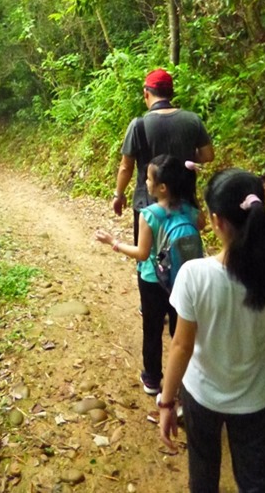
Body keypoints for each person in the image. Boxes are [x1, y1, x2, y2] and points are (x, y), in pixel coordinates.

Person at [157, 169, 265, 493]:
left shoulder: (194, 275)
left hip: (202, 395)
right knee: (256, 483)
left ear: (217, 221)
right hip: (257, 400)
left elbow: (181, 346)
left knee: (203, 477)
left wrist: (166, 403)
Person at [96, 155, 203, 395]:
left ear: (162, 187)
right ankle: (185, 381)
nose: (145, 181)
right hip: (184, 280)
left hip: (154, 281)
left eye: (149, 178)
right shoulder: (190, 210)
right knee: (181, 331)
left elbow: (142, 253)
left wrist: (114, 242)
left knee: (152, 330)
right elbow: (202, 225)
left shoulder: (150, 214)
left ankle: (153, 379)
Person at [112, 68, 214, 246]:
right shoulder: (192, 120)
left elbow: (125, 167)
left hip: (148, 204)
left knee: (149, 261)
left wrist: (118, 195)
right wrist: (187, 154)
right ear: (171, 93)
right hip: (184, 202)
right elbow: (207, 155)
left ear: (146, 93)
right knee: (184, 255)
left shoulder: (138, 125)